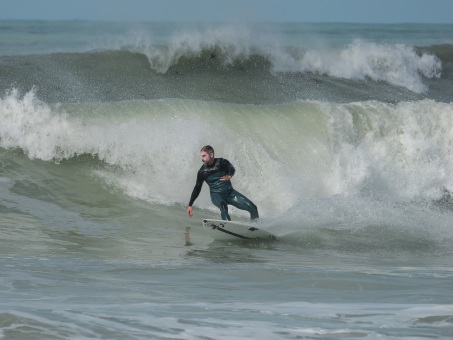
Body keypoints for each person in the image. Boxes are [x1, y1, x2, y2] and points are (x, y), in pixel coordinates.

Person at [187, 145, 259, 221]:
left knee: (253, 207)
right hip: (217, 195)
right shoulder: (202, 172)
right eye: (201, 156)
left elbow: (231, 168)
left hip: (230, 193)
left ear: (211, 154)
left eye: (204, 156)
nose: (202, 159)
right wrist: (190, 205)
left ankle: (254, 227)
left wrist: (229, 175)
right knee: (223, 206)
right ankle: (228, 226)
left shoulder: (221, 162)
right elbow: (197, 188)